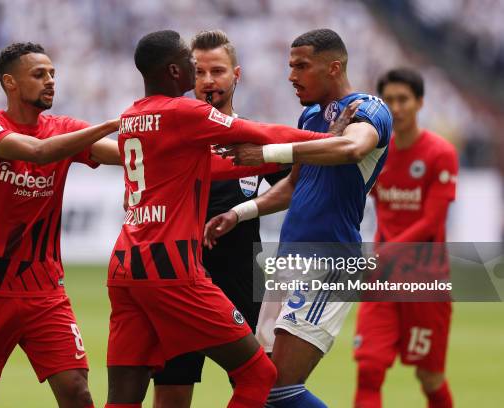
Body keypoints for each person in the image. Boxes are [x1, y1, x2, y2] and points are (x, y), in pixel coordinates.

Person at [105, 29, 355, 408]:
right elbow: (264, 133)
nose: (202, 76)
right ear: (175, 71)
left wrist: (256, 183)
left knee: (124, 396)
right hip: (175, 270)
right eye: (194, 66)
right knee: (258, 375)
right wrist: (324, 140)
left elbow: (212, 166)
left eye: (215, 70)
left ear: (235, 75)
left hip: (128, 264)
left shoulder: (131, 117)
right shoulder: (187, 113)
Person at [205, 28, 393, 407]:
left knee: (280, 389)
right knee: (260, 386)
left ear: (334, 67)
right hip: (288, 260)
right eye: (290, 66)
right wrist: (240, 213)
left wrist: (269, 153)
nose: (291, 76)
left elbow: (354, 148)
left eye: (301, 66)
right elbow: (293, 185)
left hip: (329, 262)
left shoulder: (370, 109)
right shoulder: (310, 117)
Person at [0, 42, 120, 408]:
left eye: (53, 74)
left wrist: (163, 143)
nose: (50, 81)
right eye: (39, 75)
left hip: (45, 289)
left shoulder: (64, 128)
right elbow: (38, 151)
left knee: (76, 389)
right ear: (10, 82)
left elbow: (121, 155)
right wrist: (113, 123)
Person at [151, 29, 289, 408]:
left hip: (241, 276)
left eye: (217, 71)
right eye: (199, 72)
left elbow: (294, 186)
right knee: (172, 394)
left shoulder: (255, 139)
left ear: (236, 75)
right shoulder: (169, 134)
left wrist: (243, 211)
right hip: (179, 277)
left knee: (261, 386)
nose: (208, 81)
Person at [353, 68, 457, 408]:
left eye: (404, 100)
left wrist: (385, 253)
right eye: (390, 101)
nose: (396, 108)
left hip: (426, 282)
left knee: (429, 377)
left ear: (420, 103)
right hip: (383, 281)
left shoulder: (440, 153)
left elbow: (431, 222)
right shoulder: (377, 153)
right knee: (368, 369)